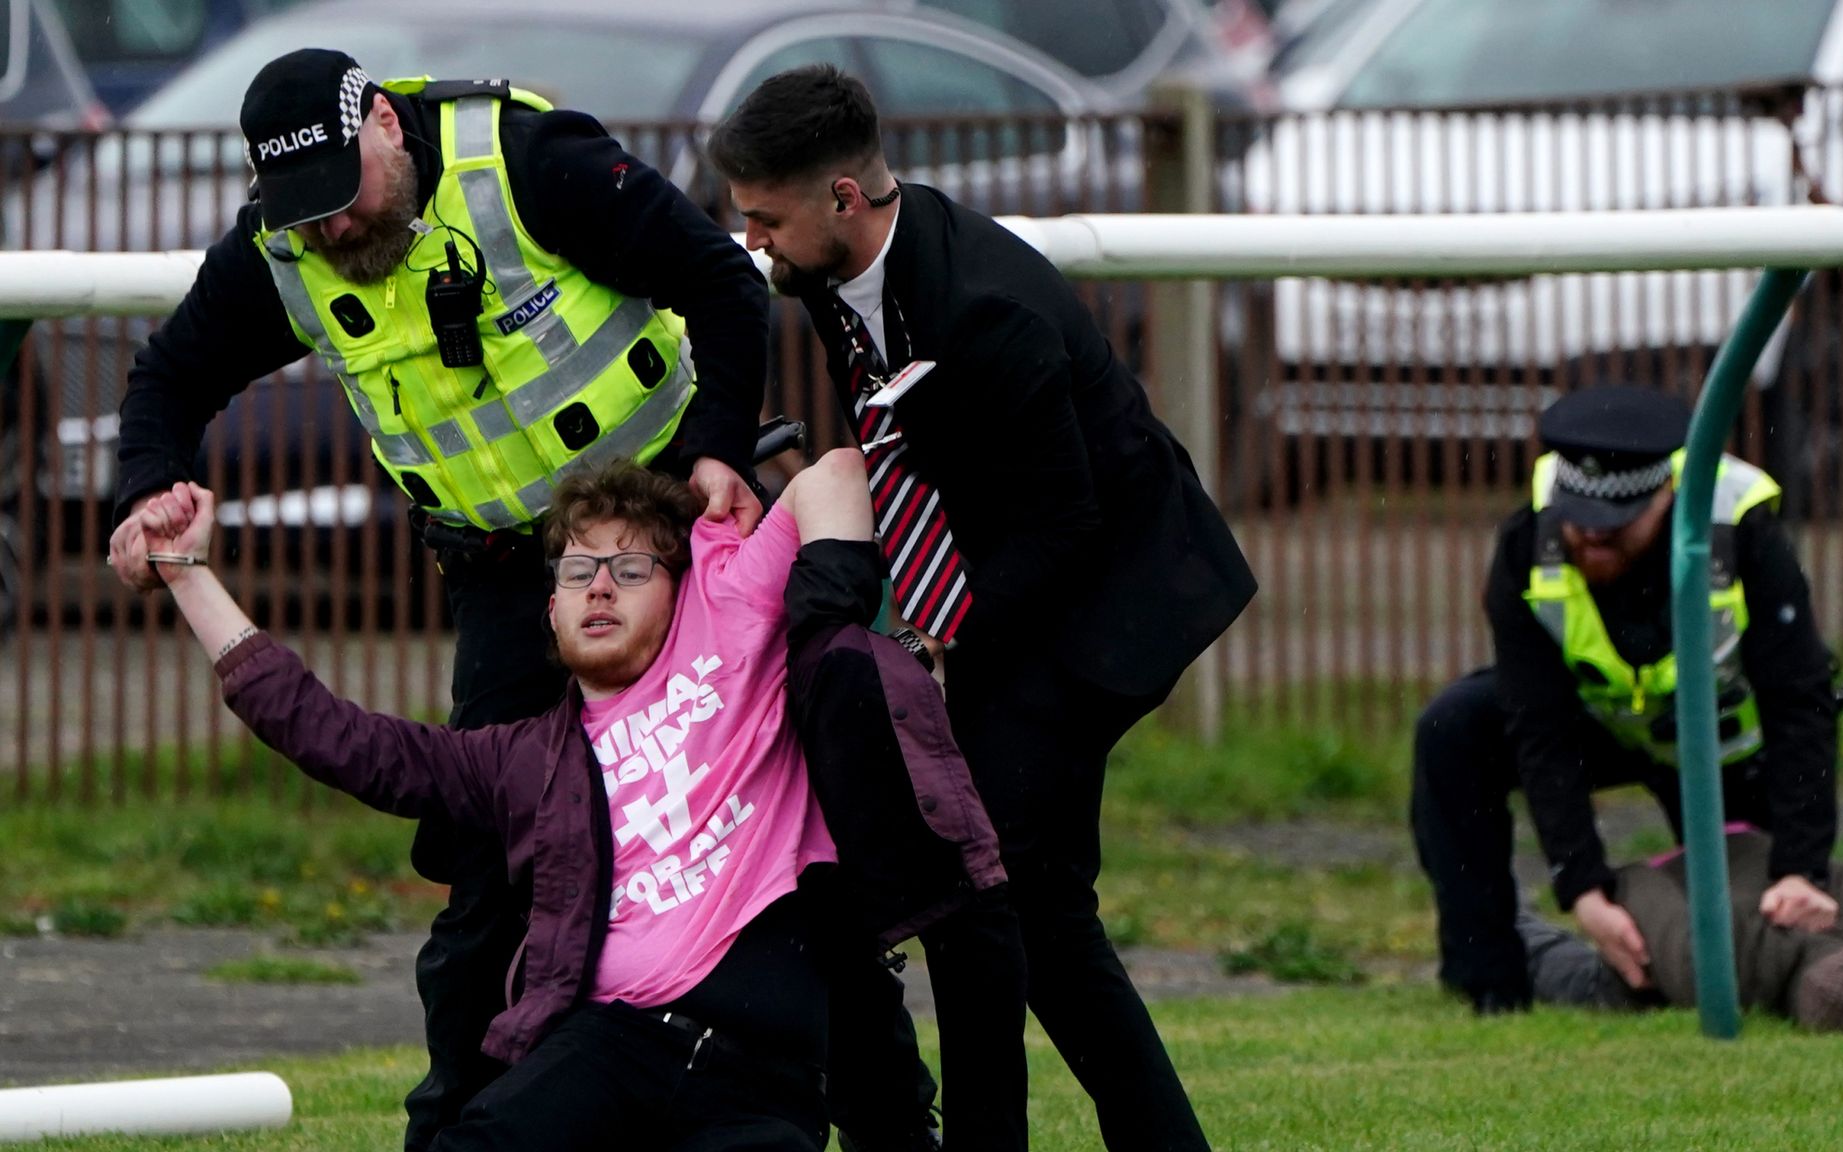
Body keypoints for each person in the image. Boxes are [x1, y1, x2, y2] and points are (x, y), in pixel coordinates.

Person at [105, 49, 771, 1149]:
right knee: (483, 883)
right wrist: (148, 496)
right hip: (512, 585)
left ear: (378, 123)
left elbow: (722, 283)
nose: (327, 235)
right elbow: (167, 378)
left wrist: (717, 458)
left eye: (337, 199)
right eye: (300, 213)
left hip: (664, 546)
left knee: (764, 837)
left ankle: (884, 1117)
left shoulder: (529, 163)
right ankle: (455, 1130)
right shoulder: (282, 246)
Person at [131, 452, 1009, 1151]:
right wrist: (186, 572)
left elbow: (838, 475)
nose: (598, 587)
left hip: (762, 1062)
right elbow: (335, 736)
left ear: (681, 586)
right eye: (578, 569)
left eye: (630, 567)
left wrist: (816, 621)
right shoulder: (523, 759)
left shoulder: (734, 617)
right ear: (546, 611)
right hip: (608, 1047)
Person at [708, 65, 1259, 1152]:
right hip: (1014, 585)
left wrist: (924, 641)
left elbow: (1063, 526)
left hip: (1105, 598)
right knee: (1014, 903)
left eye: (766, 221)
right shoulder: (834, 268)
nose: (756, 245)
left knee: (997, 892)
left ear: (842, 202)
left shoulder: (988, 308)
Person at [1410, 385, 1843, 1014]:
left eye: (1613, 529)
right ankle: (1489, 977)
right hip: (1598, 723)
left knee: (1749, 948)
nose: (1588, 540)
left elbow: (1800, 704)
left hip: (1719, 743)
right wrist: (1584, 888)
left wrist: (1801, 868)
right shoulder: (1528, 541)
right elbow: (1541, 729)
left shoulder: (1741, 531)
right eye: (1576, 521)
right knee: (1452, 730)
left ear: (1667, 495)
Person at [1517, 829, 1843, 1031]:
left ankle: (1513, 923)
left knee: (1579, 972)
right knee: (1582, 970)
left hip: (1715, 889)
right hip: (1678, 899)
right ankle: (1512, 922)